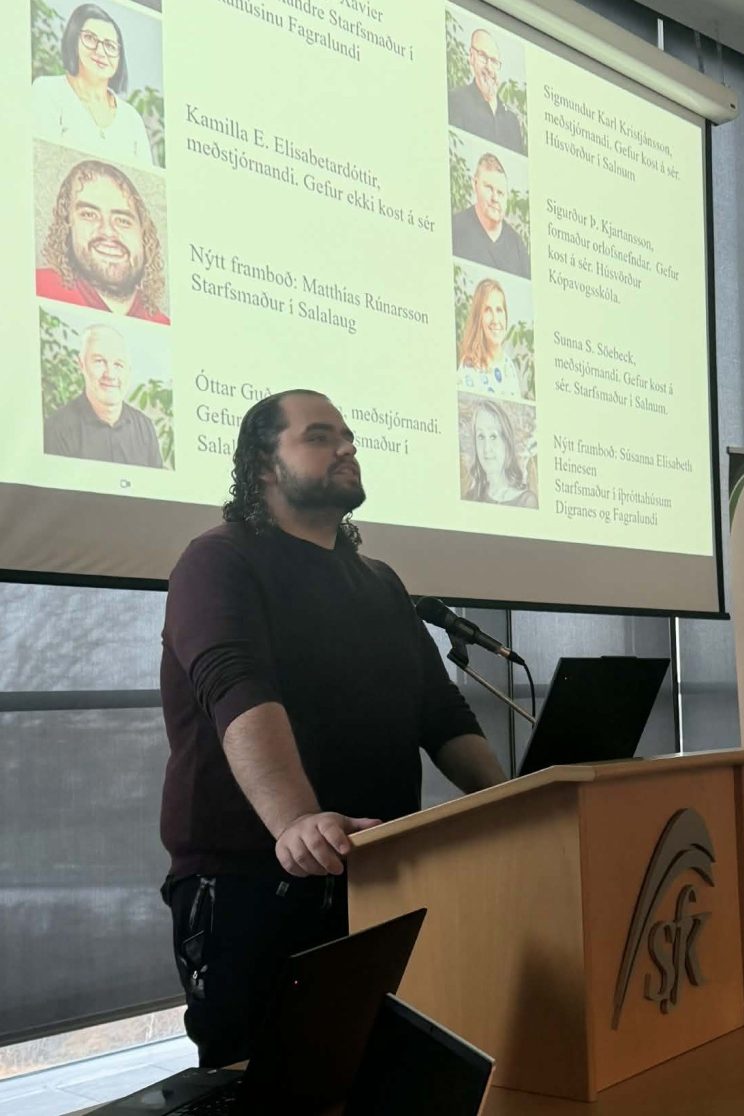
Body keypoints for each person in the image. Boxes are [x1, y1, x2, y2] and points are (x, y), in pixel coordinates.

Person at [159, 389, 507, 1067]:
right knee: (273, 1085)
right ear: (264, 465)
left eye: (347, 436)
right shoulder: (219, 561)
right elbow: (236, 690)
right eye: (319, 437)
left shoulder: (379, 582)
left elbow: (441, 713)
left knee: (375, 1078)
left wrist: (511, 803)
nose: (346, 447)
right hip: (253, 884)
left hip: (378, 871)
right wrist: (295, 820)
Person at [36, 158, 170, 323]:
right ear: (66, 227)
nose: (108, 231)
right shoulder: (38, 287)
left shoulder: (161, 324)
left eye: (122, 220)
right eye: (89, 215)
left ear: (144, 236)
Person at [32, 4, 154, 166]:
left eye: (110, 46)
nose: (100, 52)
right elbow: (41, 163)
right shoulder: (48, 91)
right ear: (74, 40)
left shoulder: (132, 119)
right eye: (90, 38)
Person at [43, 323, 163, 467]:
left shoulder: (144, 427)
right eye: (99, 361)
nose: (110, 374)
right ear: (81, 365)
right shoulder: (56, 430)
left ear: (129, 371)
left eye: (118, 364)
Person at [452, 154, 531, 279]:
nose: (495, 198)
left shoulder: (517, 245)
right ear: (475, 184)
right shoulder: (455, 228)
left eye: (500, 193)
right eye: (489, 188)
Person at [448, 28, 525, 154]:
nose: (489, 67)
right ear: (471, 57)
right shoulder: (455, 101)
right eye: (483, 56)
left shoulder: (512, 121)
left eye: (494, 61)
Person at [457, 278, 526, 398]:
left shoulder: (509, 366)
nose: (495, 319)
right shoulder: (469, 367)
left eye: (499, 310)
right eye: (487, 310)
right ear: (478, 318)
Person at [463, 399, 537, 508]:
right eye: (481, 436)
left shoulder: (526, 501)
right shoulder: (469, 498)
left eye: (493, 436)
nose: (486, 448)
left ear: (506, 442)